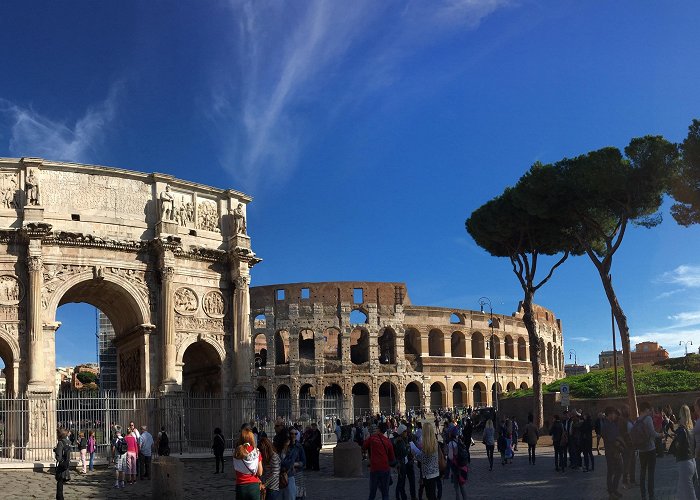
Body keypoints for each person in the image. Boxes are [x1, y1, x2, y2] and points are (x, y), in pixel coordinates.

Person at [670, 404, 697, 500]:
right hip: (691, 461)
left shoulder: (682, 430)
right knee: (682, 489)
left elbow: (678, 446)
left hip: (684, 462)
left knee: (689, 491)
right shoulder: (691, 429)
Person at [364, 422, 396, 500]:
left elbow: (364, 446)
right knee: (385, 493)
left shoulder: (372, 438)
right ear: (385, 431)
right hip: (385, 468)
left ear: (378, 429)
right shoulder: (387, 441)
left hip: (374, 468)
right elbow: (392, 457)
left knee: (372, 493)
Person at [637, 401, 662, 500]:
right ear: (647, 409)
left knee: (642, 473)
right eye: (649, 409)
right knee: (650, 473)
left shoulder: (638, 420)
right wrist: (660, 435)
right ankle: (651, 495)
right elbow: (653, 433)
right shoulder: (647, 419)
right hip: (650, 449)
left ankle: (643, 495)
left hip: (641, 450)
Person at [410, 422, 440, 500]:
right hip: (435, 472)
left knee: (430, 495)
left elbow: (423, 459)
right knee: (432, 495)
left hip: (428, 474)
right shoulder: (434, 442)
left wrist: (415, 454)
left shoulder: (427, 445)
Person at [234, 427, 263, 500]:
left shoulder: (236, 452)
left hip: (240, 485)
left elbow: (236, 468)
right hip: (253, 486)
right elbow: (260, 473)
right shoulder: (256, 452)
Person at [601, 407, 624, 500]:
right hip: (611, 451)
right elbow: (610, 439)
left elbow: (617, 434)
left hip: (616, 451)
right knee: (611, 472)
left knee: (619, 470)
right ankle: (611, 492)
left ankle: (614, 489)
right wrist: (618, 444)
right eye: (613, 413)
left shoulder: (613, 423)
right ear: (609, 414)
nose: (615, 415)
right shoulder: (606, 424)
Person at [281, 426, 306, 500]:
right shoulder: (286, 446)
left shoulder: (299, 446)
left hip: (298, 473)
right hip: (288, 474)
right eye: (292, 434)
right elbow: (282, 459)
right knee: (290, 496)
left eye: (295, 434)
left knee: (299, 496)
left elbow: (304, 462)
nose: (294, 436)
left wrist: (294, 464)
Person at [446, 426, 468, 500]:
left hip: (455, 467)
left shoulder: (451, 443)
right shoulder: (459, 441)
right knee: (462, 485)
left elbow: (451, 457)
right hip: (462, 466)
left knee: (456, 487)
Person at [393, 423, 410, 500]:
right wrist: (408, 449)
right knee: (401, 482)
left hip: (402, 462)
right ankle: (400, 496)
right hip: (401, 463)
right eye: (405, 431)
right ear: (402, 432)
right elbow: (403, 453)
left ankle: (401, 496)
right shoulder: (400, 442)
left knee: (401, 481)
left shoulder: (401, 440)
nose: (407, 432)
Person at [54, 427, 71, 500]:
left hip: (61, 464)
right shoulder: (68, 442)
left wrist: (56, 451)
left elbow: (59, 456)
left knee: (59, 483)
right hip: (66, 463)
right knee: (61, 481)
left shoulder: (60, 443)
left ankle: (60, 498)